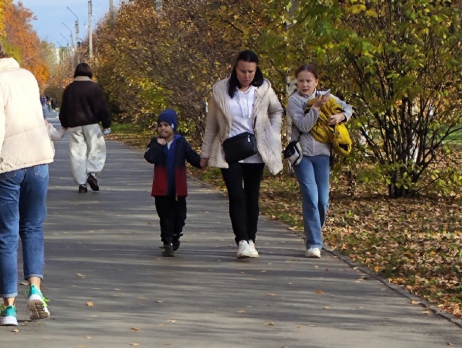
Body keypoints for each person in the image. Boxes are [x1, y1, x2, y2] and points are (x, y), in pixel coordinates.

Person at [0, 32, 56, 326]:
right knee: (33, 228)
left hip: (6, 165)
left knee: (5, 235)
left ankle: (9, 308)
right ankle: (35, 290)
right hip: (38, 159)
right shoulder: (26, 76)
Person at [200, 49, 284, 259]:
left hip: (256, 152)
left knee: (252, 196)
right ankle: (242, 241)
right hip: (229, 150)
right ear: (235, 69)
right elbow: (211, 124)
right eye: (243, 71)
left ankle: (252, 239)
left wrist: (272, 133)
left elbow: (277, 111)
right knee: (236, 195)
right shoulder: (220, 90)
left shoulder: (264, 89)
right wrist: (204, 152)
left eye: (251, 71)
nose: (247, 75)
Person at [288, 63, 353, 258]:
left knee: (322, 201)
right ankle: (314, 243)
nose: (305, 85)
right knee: (310, 195)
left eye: (308, 81)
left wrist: (342, 116)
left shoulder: (326, 97)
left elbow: (348, 107)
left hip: (323, 155)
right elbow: (304, 126)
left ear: (316, 81)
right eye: (301, 81)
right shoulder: (294, 101)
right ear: (296, 83)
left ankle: (313, 230)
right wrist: (315, 108)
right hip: (302, 155)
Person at [143, 109, 202, 256]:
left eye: (166, 125)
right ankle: (167, 242)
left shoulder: (181, 142)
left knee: (180, 217)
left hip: (178, 188)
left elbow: (193, 158)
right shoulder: (155, 143)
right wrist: (159, 144)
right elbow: (151, 157)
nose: (162, 128)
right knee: (165, 216)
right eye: (160, 125)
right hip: (161, 189)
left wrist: (204, 160)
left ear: (173, 127)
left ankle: (176, 235)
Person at [58, 63, 112, 193]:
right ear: (89, 73)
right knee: (97, 149)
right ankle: (92, 174)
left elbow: (64, 108)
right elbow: (102, 107)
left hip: (75, 126)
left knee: (77, 153)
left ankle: (81, 183)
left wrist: (64, 123)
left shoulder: (69, 89)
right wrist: (106, 124)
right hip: (92, 125)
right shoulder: (94, 88)